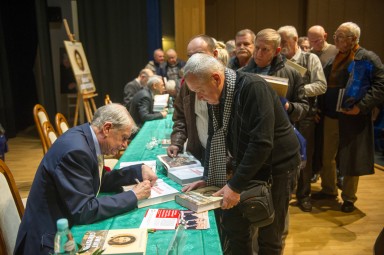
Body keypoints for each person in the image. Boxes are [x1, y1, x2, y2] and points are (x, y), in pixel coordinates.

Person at [182, 53, 300, 254]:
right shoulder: (217, 95)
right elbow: (213, 136)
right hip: (248, 163)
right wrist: (208, 178)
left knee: (269, 234)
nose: (199, 97)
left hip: (277, 167)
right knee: (236, 228)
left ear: (216, 78)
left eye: (200, 90)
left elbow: (261, 143)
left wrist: (235, 186)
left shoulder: (253, 87)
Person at [14, 103, 157, 254]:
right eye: (123, 138)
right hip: (48, 241)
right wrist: (133, 195)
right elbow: (84, 210)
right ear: (107, 128)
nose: (124, 145)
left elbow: (98, 181)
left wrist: (137, 171)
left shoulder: (88, 137)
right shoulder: (76, 151)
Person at [314, 22, 384, 213]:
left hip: (353, 118)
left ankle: (349, 198)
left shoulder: (367, 57)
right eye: (336, 35)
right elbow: (323, 86)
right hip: (331, 115)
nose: (335, 39)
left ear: (353, 39)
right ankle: (329, 190)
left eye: (340, 36)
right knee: (327, 156)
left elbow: (380, 86)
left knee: (351, 159)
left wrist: (361, 107)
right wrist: (319, 108)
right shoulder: (333, 58)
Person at [278, 25, 327, 212]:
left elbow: (321, 86)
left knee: (305, 157)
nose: (281, 46)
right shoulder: (279, 60)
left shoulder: (310, 58)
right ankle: (286, 193)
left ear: (295, 40)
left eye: (284, 42)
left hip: (305, 114)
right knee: (285, 155)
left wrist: (296, 90)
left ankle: (304, 195)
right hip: (284, 114)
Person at [167, 35, 218, 163]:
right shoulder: (187, 86)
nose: (194, 60)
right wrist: (176, 143)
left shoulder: (226, 84)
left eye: (200, 54)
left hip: (221, 157)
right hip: (197, 153)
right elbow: (180, 116)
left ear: (215, 54)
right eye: (190, 56)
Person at [307, 25, 339, 183]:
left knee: (332, 148)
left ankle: (336, 177)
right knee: (319, 145)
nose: (314, 44)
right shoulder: (310, 55)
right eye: (311, 41)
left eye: (317, 40)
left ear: (325, 36)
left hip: (334, 106)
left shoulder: (335, 51)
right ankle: (317, 171)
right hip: (319, 106)